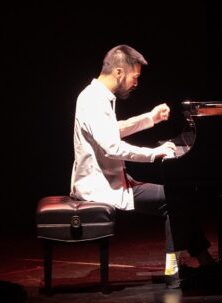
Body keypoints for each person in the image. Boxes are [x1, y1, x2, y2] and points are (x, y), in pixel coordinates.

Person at [70, 44, 213, 288]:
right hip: (99, 188)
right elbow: (112, 147)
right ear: (118, 72)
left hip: (112, 182)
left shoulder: (97, 96)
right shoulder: (93, 99)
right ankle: (174, 270)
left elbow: (112, 130)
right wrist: (154, 153)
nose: (136, 82)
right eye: (134, 76)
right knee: (175, 196)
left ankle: (204, 260)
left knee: (178, 194)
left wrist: (150, 118)